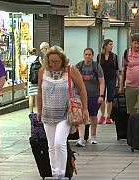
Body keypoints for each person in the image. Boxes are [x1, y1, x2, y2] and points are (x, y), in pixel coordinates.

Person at [37, 46, 88, 179]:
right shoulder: (43, 71)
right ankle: (55, 173)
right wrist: (39, 110)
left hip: (66, 113)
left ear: (63, 60)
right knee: (51, 145)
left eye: (57, 61)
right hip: (48, 113)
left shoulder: (71, 71)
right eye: (51, 61)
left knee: (59, 142)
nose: (54, 64)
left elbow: (82, 90)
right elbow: (39, 92)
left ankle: (61, 173)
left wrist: (85, 109)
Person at [75, 48, 105, 147]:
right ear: (83, 55)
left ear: (92, 56)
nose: (87, 56)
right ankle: (81, 137)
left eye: (89, 54)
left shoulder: (96, 66)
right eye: (86, 54)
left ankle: (93, 135)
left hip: (94, 95)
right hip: (81, 96)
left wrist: (101, 95)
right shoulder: (79, 66)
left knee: (93, 116)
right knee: (82, 116)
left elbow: (101, 81)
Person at [97, 39, 120, 124]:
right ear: (105, 46)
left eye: (112, 44)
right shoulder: (100, 56)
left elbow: (116, 68)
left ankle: (108, 116)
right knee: (101, 97)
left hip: (111, 78)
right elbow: (98, 68)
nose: (111, 46)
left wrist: (119, 79)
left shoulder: (114, 56)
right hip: (102, 79)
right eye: (110, 44)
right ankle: (102, 115)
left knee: (110, 98)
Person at [26, 48, 41, 113]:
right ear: (35, 52)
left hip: (31, 80)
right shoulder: (39, 58)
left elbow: (25, 69)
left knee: (31, 96)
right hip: (38, 79)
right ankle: (38, 111)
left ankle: (31, 112)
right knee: (38, 96)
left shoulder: (28, 59)